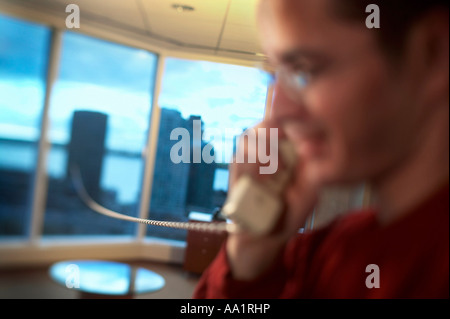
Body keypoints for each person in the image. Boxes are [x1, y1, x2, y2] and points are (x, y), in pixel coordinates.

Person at [193, 0, 449, 299]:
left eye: (306, 71)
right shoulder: (330, 252)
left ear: (433, 54)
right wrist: (250, 253)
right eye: (276, 77)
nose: (280, 112)